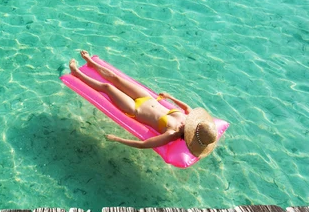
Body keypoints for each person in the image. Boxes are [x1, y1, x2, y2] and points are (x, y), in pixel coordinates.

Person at [69, 50, 218, 158]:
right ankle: (91, 63)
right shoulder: (187, 119)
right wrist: (170, 97)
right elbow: (187, 108)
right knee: (116, 78)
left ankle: (77, 73)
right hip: (147, 98)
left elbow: (144, 145)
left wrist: (117, 139)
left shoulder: (171, 133)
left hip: (135, 109)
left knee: (108, 87)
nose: (191, 122)